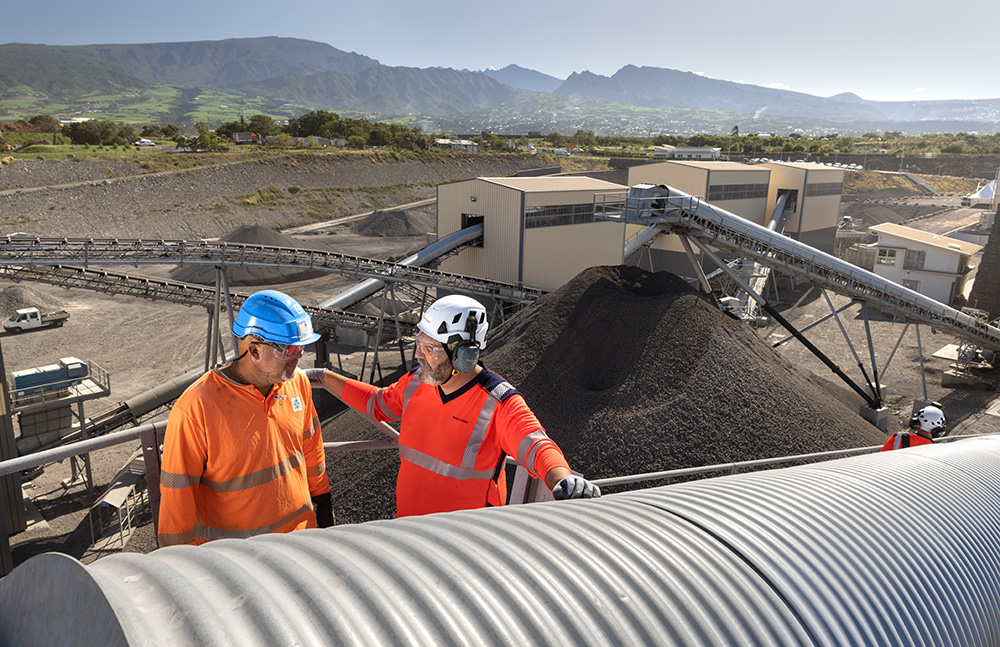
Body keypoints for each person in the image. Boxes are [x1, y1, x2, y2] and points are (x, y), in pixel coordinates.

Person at [306, 294, 600, 517]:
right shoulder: (415, 383)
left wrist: (562, 478)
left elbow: (536, 446)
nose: (420, 355)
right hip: (407, 528)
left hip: (463, 545)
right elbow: (376, 404)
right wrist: (324, 376)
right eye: (420, 343)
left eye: (430, 349)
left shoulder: (498, 402)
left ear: (465, 356)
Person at [158, 290, 334, 547]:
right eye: (290, 349)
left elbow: (311, 448)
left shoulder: (298, 384)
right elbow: (177, 499)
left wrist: (323, 500)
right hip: (240, 562)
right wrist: (179, 567)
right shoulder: (197, 407)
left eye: (302, 347)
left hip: (301, 542)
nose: (299, 356)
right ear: (254, 350)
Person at [881, 404, 946, 451]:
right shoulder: (935, 450)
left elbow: (880, 458)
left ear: (916, 422)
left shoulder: (898, 438)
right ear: (938, 430)